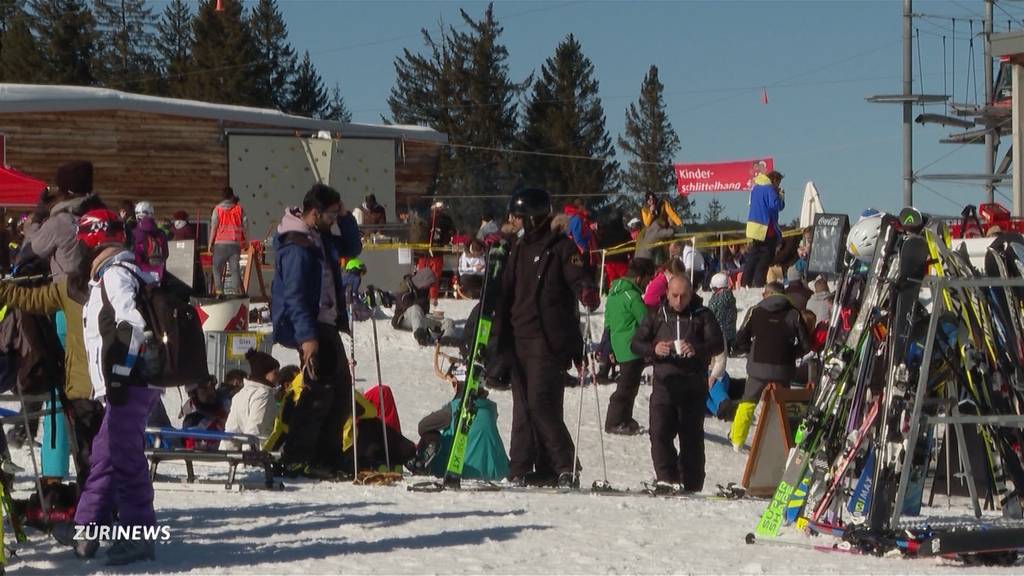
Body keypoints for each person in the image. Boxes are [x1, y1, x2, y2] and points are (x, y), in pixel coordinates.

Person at [68, 208, 161, 564]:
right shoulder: (113, 274)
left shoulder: (115, 276)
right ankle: (87, 529)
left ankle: (139, 535)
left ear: (93, 240)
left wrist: (120, 373)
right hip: (125, 384)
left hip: (129, 382)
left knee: (125, 459)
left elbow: (132, 324)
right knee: (105, 456)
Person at [495, 188, 598, 488]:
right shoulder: (516, 247)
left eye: (519, 216)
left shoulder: (561, 247)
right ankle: (523, 466)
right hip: (518, 337)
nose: (515, 222)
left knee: (541, 403)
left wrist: (586, 290)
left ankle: (565, 465)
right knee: (523, 406)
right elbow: (506, 290)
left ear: (535, 216)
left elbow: (579, 276)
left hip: (547, 338)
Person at [271, 184, 361, 478]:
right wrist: (306, 337)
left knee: (339, 394)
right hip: (311, 324)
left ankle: (325, 456)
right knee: (319, 393)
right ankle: (299, 456)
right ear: (314, 212)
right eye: (332, 214)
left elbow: (353, 247)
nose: (335, 219)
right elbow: (294, 294)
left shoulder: (320, 237)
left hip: (326, 322)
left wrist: (346, 215)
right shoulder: (297, 245)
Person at [631, 275, 724, 492]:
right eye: (674, 296)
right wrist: (654, 349)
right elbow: (636, 343)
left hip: (692, 387)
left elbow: (718, 343)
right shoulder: (656, 315)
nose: (679, 300)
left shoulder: (703, 314)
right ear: (667, 294)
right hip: (664, 385)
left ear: (691, 294)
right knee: (659, 434)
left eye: (683, 296)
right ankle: (667, 479)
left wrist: (697, 349)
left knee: (691, 439)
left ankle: (692, 485)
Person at [730, 282, 809, 451]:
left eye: (764, 293)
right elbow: (805, 344)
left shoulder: (755, 311)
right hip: (784, 369)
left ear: (768, 294)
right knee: (783, 404)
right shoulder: (793, 314)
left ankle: (737, 439)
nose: (762, 296)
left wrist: (750, 351)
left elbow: (741, 338)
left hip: (758, 366)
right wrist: (791, 354)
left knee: (748, 402)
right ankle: (786, 441)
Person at [603, 257, 655, 435]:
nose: (648, 284)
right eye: (648, 279)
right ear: (640, 278)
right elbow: (645, 322)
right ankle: (614, 421)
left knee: (629, 385)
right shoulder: (632, 297)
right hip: (631, 348)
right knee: (626, 388)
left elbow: (608, 322)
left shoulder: (613, 293)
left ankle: (625, 418)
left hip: (619, 346)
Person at [220, 349, 280, 451]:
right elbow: (254, 430)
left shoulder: (240, 394)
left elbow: (231, 431)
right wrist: (249, 460)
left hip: (244, 456)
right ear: (264, 373)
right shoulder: (264, 394)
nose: (278, 377)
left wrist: (227, 457)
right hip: (263, 453)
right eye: (275, 373)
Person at [742, 170, 785, 288]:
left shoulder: (755, 188)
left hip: (753, 227)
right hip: (766, 228)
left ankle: (745, 282)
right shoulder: (769, 188)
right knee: (766, 257)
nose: (778, 186)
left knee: (753, 256)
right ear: (775, 180)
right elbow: (776, 206)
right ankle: (759, 282)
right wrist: (780, 196)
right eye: (778, 183)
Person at [392, 268, 457, 346]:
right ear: (423, 280)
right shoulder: (405, 286)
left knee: (448, 321)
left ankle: (446, 338)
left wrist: (435, 316)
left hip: (419, 319)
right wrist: (425, 302)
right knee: (415, 308)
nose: (429, 286)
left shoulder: (424, 289)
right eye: (429, 284)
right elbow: (405, 305)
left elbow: (424, 311)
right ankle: (420, 335)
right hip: (403, 319)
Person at [209, 187, 246, 295]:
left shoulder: (217, 209)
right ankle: (236, 293)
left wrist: (210, 243)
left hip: (220, 244)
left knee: (216, 269)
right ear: (231, 195)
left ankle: (219, 292)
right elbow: (246, 226)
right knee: (235, 269)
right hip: (235, 244)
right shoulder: (239, 209)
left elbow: (214, 228)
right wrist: (246, 241)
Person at [418, 201, 454, 306]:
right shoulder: (444, 220)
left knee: (427, 276)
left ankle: (427, 297)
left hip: (427, 253)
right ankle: (430, 297)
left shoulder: (426, 219)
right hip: (431, 253)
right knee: (432, 277)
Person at [131, 201, 168, 281]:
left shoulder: (134, 233)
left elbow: (132, 254)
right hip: (158, 273)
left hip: (139, 272)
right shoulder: (161, 233)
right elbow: (166, 254)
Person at [599, 211, 631, 289]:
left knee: (613, 284)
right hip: (621, 262)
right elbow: (631, 246)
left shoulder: (605, 233)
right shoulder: (624, 232)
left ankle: (613, 297)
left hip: (609, 262)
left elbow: (601, 245)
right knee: (625, 283)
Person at [706, 272, 737, 352]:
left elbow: (711, 314)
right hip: (730, 334)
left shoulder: (717, 300)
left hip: (719, 334)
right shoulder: (730, 296)